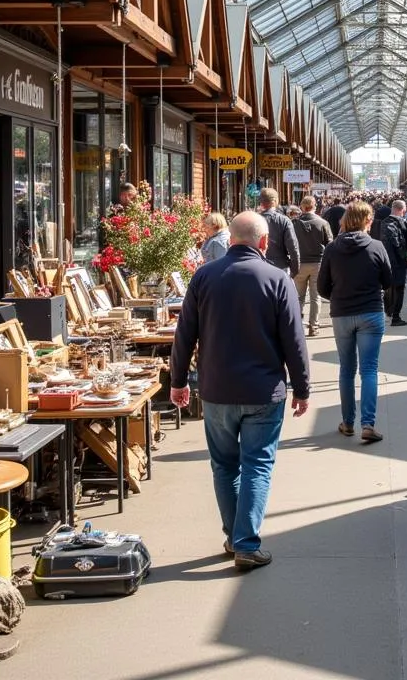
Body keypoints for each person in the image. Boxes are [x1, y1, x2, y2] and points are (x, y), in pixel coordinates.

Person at [170, 211, 310, 570]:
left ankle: (234, 536)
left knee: (224, 465)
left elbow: (184, 333)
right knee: (257, 465)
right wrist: (302, 388)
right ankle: (246, 543)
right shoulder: (277, 279)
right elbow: (294, 340)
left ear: (230, 239)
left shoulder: (204, 276)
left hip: (216, 389)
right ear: (264, 242)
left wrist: (178, 381)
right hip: (264, 390)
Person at [318, 201, 392, 443]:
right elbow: (388, 280)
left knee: (346, 370)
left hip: (341, 314)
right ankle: (368, 423)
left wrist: (338, 297)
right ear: (367, 221)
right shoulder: (377, 246)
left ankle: (348, 422)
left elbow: (322, 287)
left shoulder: (331, 249)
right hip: (371, 311)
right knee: (369, 369)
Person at [292, 196, 333, 337]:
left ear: (302, 207)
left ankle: (296, 326)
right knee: (315, 297)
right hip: (317, 263)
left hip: (299, 264)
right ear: (315, 206)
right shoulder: (323, 223)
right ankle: (313, 327)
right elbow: (330, 245)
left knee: (298, 297)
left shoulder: (294, 224)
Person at [380, 199, 407, 327]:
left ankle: (387, 312)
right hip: (399, 261)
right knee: (399, 288)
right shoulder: (403, 223)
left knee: (386, 288)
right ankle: (396, 316)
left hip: (383, 261)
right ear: (402, 210)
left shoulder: (381, 223)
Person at [258, 188, 300, 276]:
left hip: (258, 266)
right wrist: (295, 270)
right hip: (280, 267)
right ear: (275, 201)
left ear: (261, 202)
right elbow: (293, 247)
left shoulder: (253, 219)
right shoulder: (284, 220)